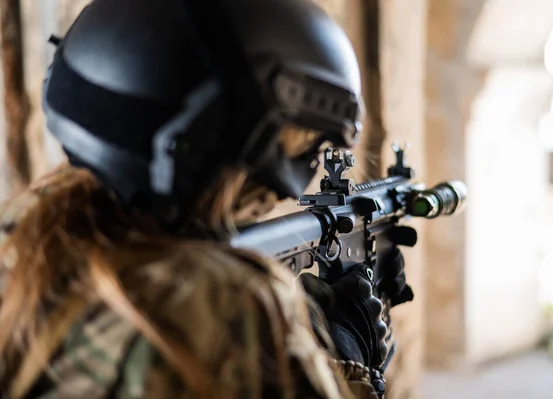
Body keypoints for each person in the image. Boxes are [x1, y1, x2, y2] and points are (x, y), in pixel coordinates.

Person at [0, 0, 411, 397]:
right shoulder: (229, 305)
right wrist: (350, 360)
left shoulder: (20, 238)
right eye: (291, 143)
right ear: (207, 138)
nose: (278, 190)